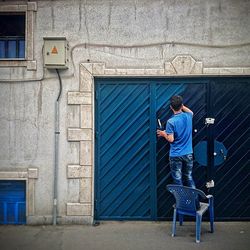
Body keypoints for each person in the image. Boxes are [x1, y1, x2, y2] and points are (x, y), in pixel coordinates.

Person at [157, 95, 195, 188]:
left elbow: (171, 139)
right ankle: (195, 202)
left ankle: (182, 202)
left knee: (178, 180)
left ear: (170, 107)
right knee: (189, 177)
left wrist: (163, 133)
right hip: (188, 153)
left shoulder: (171, 121)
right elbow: (191, 112)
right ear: (182, 105)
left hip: (176, 154)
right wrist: (181, 105)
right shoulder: (188, 116)